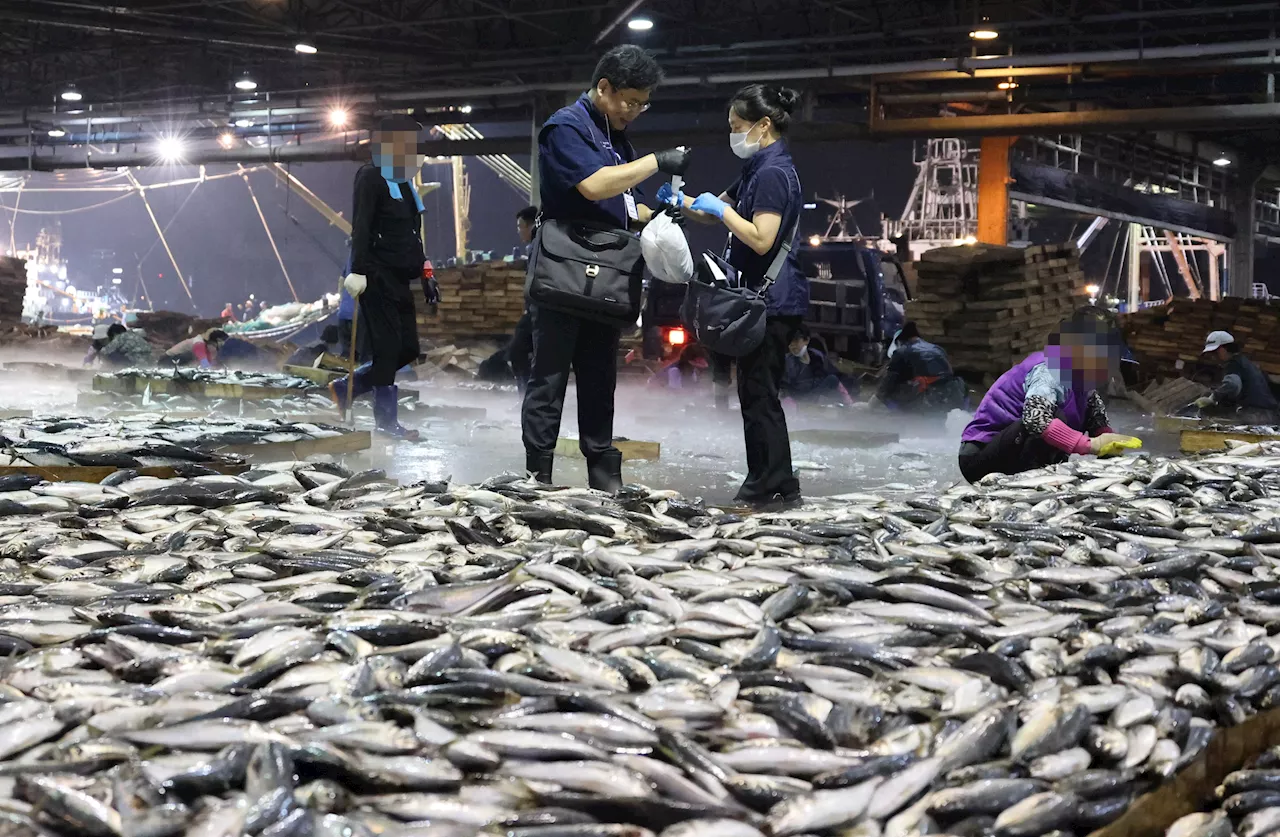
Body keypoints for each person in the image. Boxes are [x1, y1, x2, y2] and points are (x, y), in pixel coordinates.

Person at [521, 44, 690, 491]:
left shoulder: (617, 139)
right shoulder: (566, 127)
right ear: (603, 88)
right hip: (564, 272)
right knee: (550, 378)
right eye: (629, 101)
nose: (634, 111)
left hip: (607, 275)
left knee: (599, 378)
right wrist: (655, 162)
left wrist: (664, 214)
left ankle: (602, 468)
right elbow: (594, 187)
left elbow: (623, 205)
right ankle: (537, 476)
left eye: (642, 104)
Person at [667, 83, 808, 508]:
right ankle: (771, 479)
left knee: (760, 395)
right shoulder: (757, 168)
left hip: (772, 301)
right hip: (759, 301)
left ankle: (772, 483)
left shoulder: (771, 173)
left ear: (763, 125)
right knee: (754, 394)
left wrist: (720, 210)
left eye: (738, 127)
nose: (732, 135)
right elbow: (712, 211)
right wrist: (678, 200)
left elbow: (762, 239)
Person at [958, 307, 1140, 483]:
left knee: (1088, 411)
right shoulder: (1049, 370)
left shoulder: (1085, 384)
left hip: (1014, 453)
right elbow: (1035, 420)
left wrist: (1111, 444)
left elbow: (1098, 423)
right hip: (981, 458)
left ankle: (1044, 476)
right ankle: (1033, 481)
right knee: (1052, 417)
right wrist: (1090, 445)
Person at [329, 116, 426, 440]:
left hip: (401, 276)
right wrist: (357, 270)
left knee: (408, 348)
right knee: (386, 349)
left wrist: (424, 268)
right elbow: (362, 226)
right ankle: (387, 423)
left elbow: (413, 231)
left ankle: (347, 387)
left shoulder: (404, 183)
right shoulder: (370, 176)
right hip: (376, 274)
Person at [871, 321, 965, 412]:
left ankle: (903, 416)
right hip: (952, 396)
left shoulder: (901, 351)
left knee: (892, 389)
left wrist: (872, 404)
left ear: (901, 341)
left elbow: (888, 382)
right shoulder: (937, 348)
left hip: (927, 399)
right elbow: (950, 372)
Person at [1194, 330, 1280, 424]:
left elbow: (1232, 386)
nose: (1213, 357)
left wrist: (1213, 398)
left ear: (1223, 350)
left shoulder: (1233, 365)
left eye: (1214, 353)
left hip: (1256, 415)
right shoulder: (1245, 363)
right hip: (1269, 415)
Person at [781, 324, 853, 405]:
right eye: (790, 342)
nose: (792, 345)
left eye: (796, 340)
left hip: (814, 395)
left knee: (832, 379)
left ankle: (848, 403)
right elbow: (785, 385)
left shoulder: (816, 358)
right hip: (798, 398)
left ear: (806, 340)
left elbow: (825, 376)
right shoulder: (787, 361)